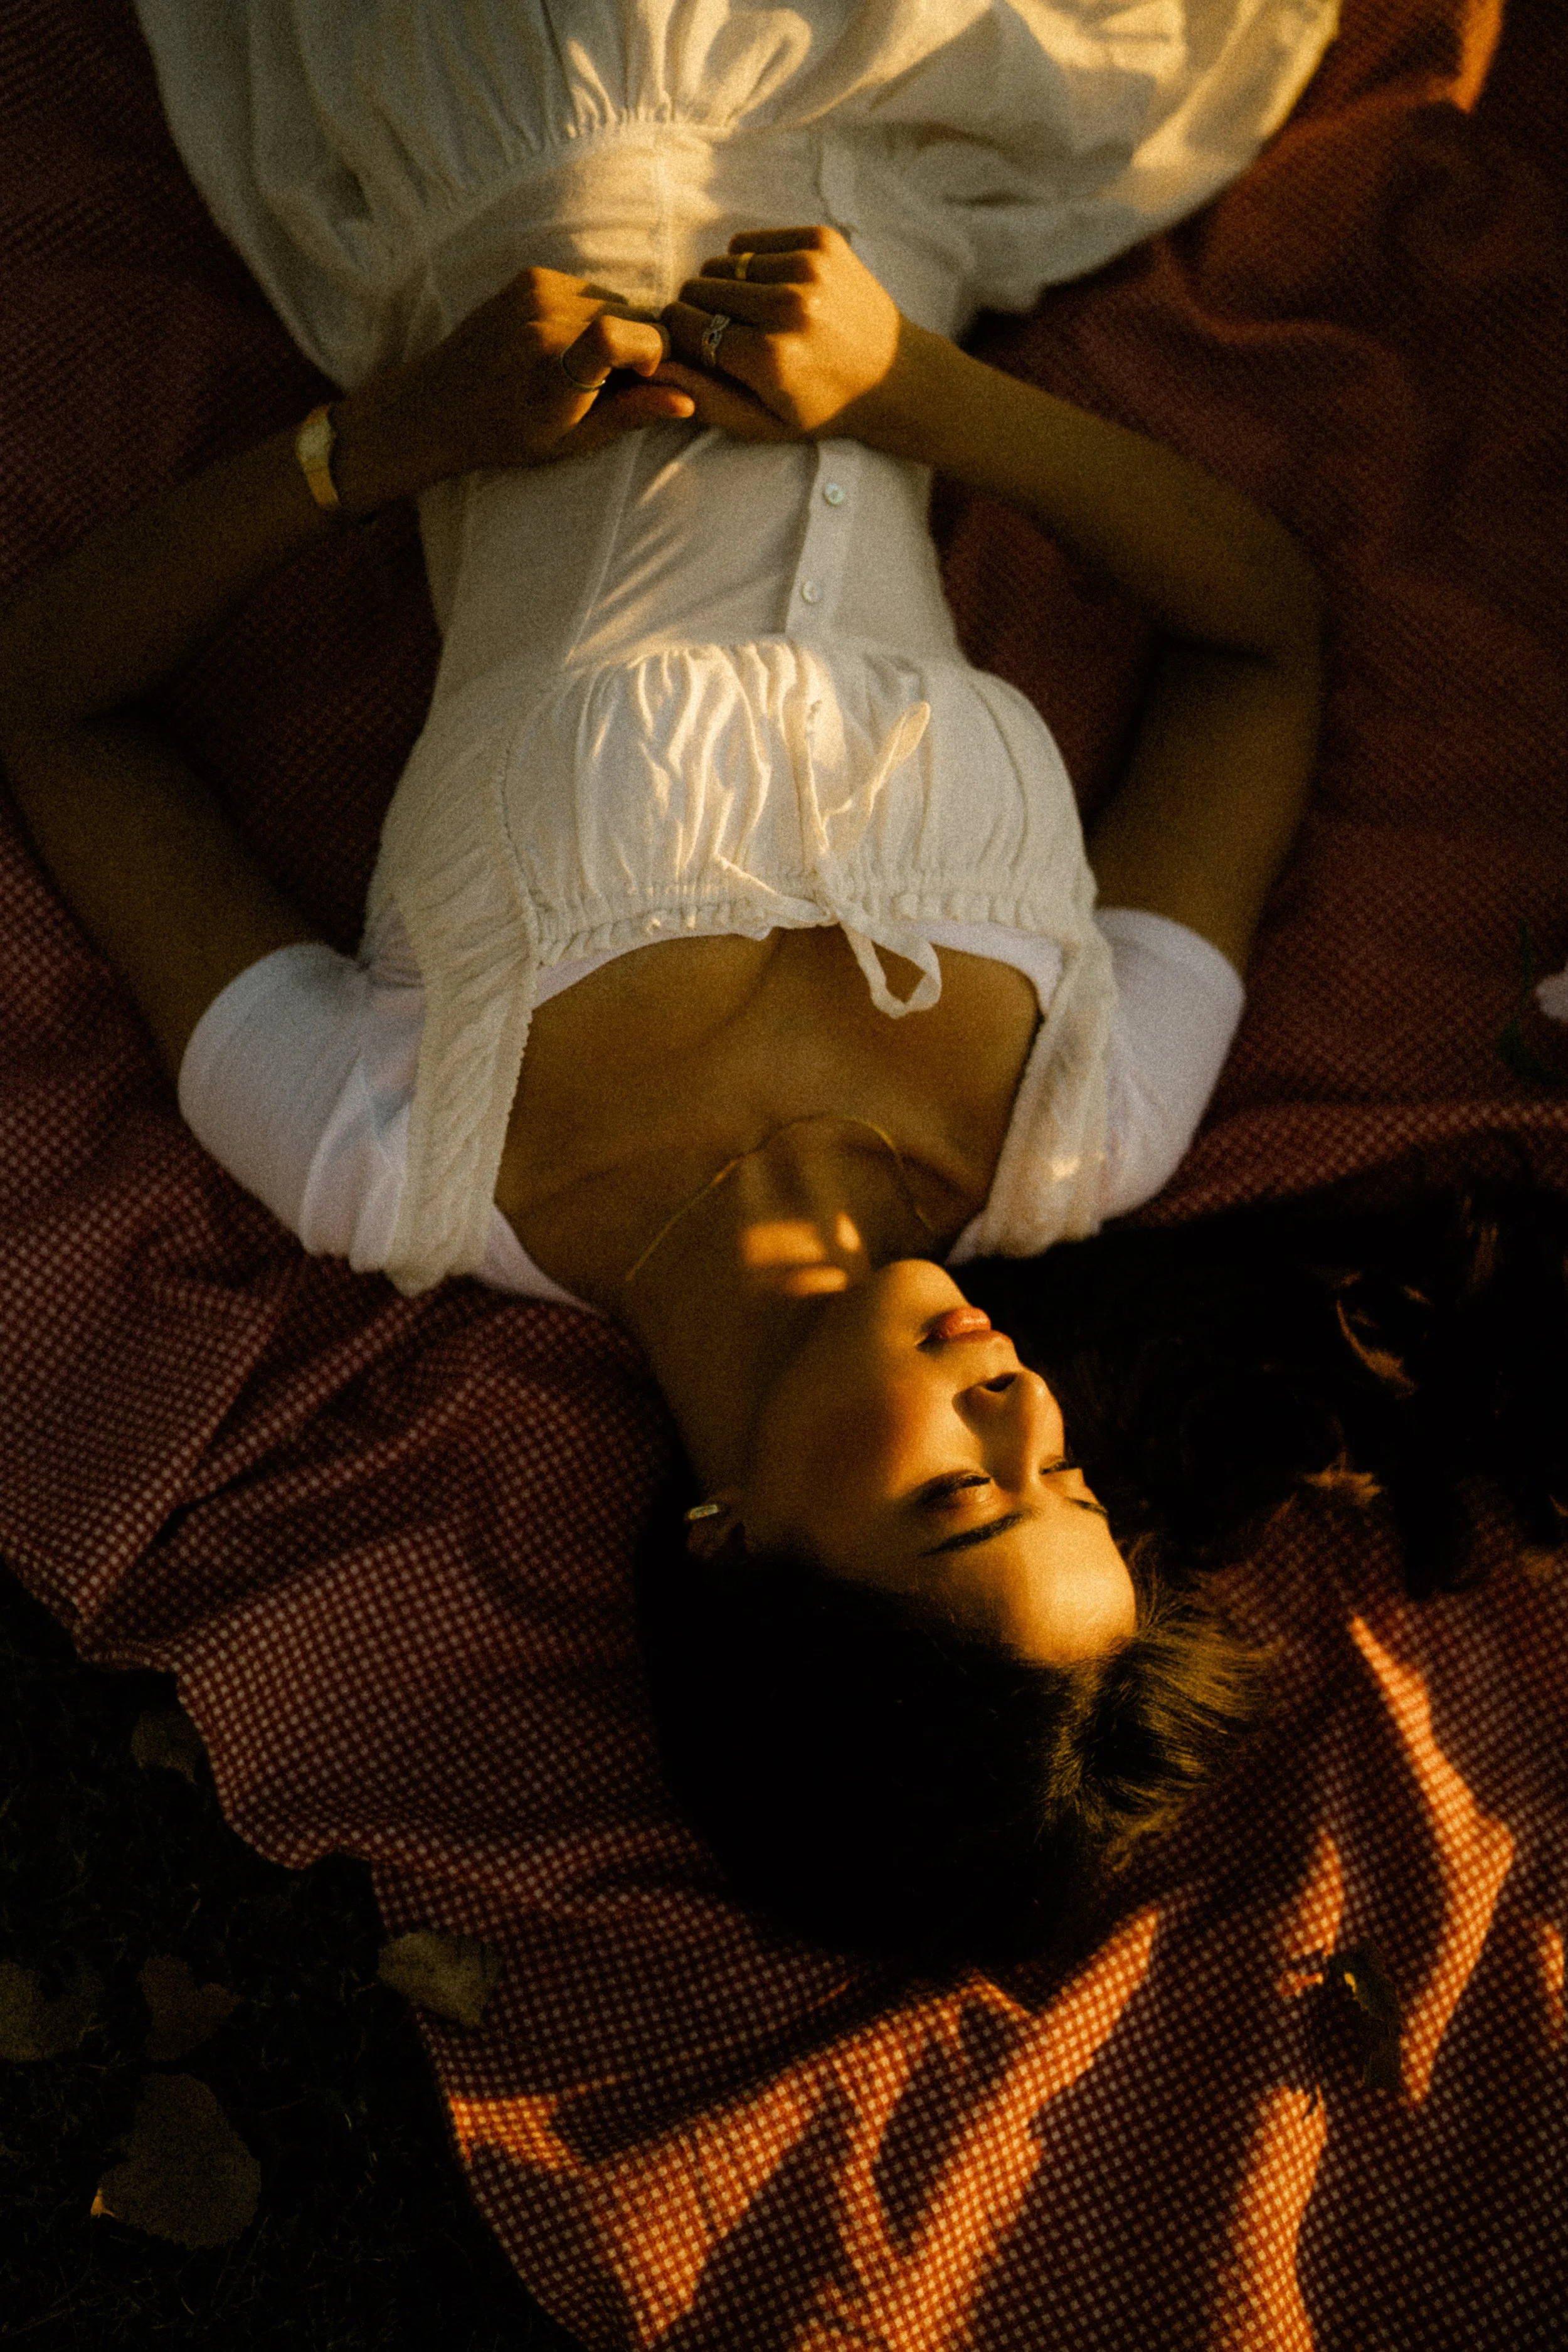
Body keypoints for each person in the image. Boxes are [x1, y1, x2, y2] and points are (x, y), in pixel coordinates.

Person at [0, 1, 1351, 1969]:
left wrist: (379, 446)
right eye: (1058, 1471)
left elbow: (56, 707)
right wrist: (909, 391)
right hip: (899, 140)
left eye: (964, 1510)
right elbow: (1266, 642)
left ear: (737, 1556)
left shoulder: (395, 1152)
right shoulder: (1092, 1113)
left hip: (481, 138)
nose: (1011, 1403)